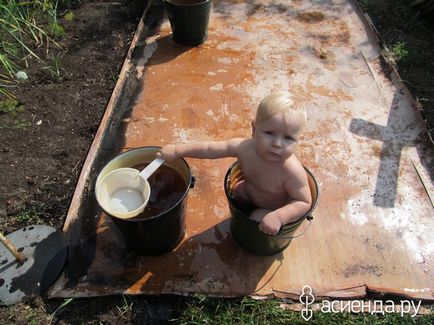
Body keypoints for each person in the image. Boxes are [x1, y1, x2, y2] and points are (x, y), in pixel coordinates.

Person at [157, 92, 312, 235]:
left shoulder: (291, 171)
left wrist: (279, 216)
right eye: (269, 133)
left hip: (273, 208)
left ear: (298, 140)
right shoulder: (244, 148)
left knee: (256, 217)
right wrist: (178, 150)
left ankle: (254, 238)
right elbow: (209, 149)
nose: (277, 144)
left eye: (288, 138)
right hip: (251, 190)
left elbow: (303, 201)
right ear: (254, 128)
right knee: (237, 189)